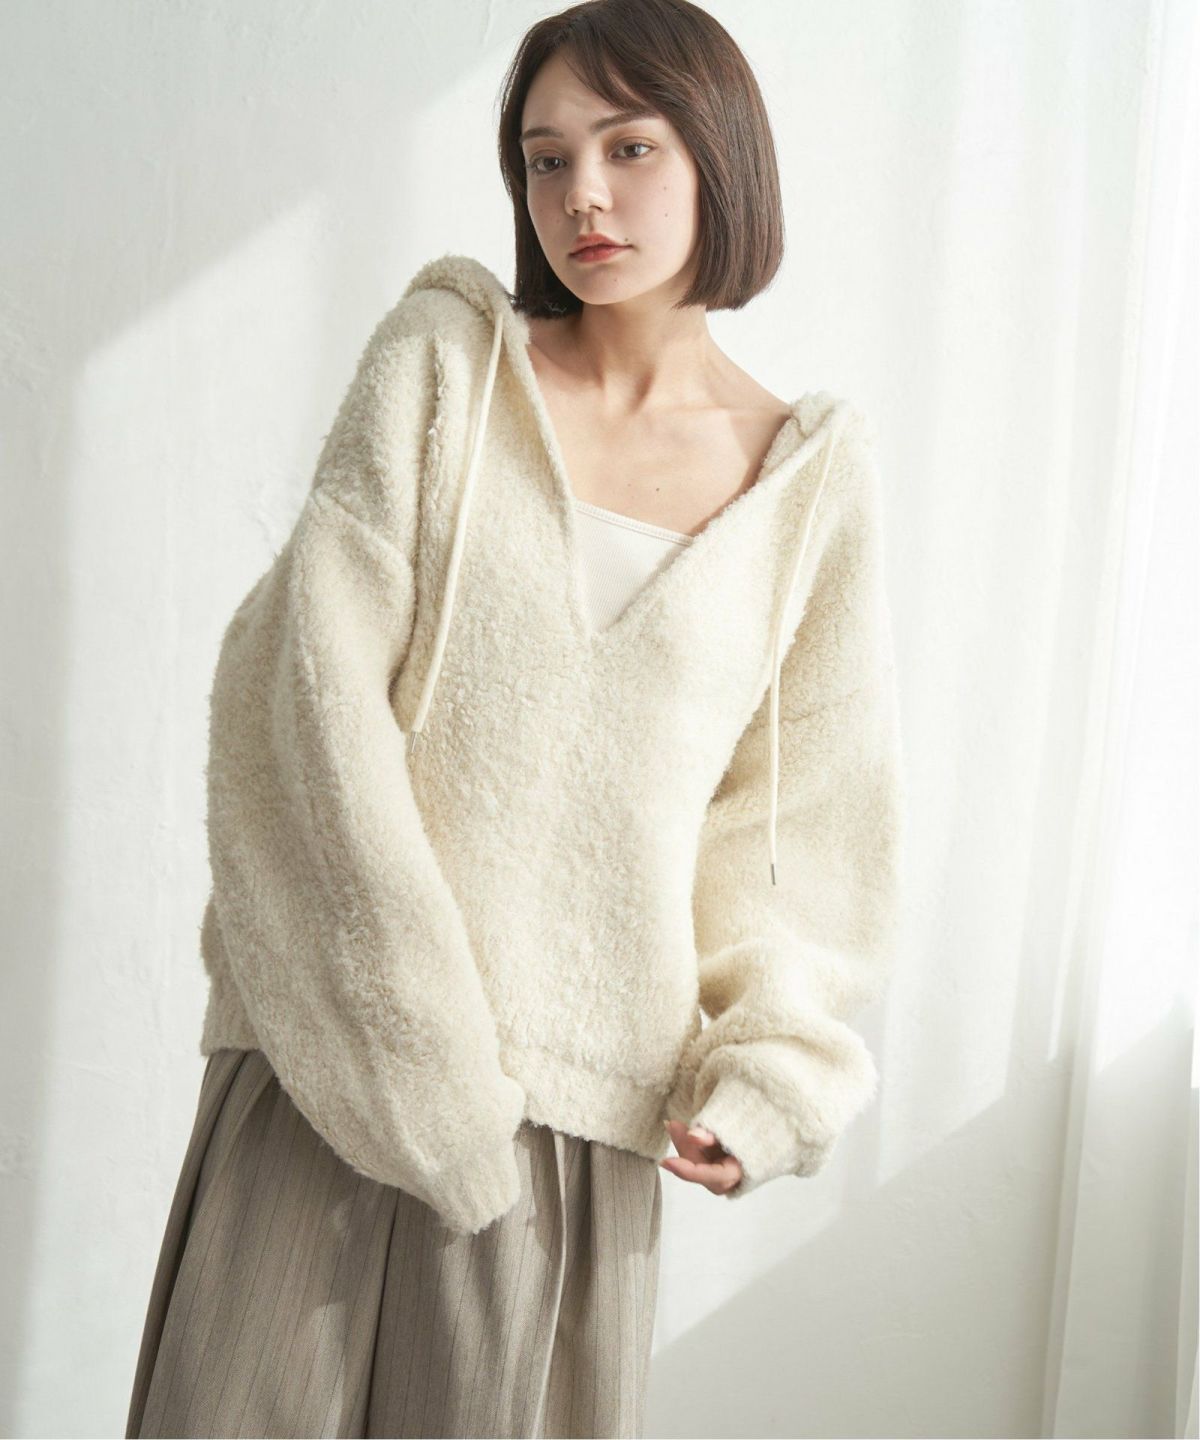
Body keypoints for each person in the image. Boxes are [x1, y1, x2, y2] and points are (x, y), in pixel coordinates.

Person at [124, 1, 906, 1436]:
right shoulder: (445, 364)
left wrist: (771, 1077)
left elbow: (802, 835)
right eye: (547, 160)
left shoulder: (808, 487)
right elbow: (302, 706)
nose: (582, 196)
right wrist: (423, 1077)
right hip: (328, 1071)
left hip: (576, 1140)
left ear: (722, 155)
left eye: (628, 147)